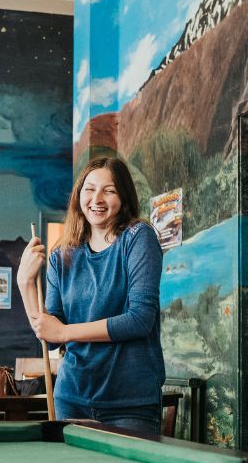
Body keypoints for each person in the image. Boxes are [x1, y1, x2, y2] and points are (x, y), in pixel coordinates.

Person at [16, 156, 164, 435]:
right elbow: (49, 336)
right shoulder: (62, 255)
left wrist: (66, 333)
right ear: (79, 194)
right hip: (72, 398)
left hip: (129, 402)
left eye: (109, 190)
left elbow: (140, 319)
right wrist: (24, 282)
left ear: (123, 196)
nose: (97, 198)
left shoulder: (138, 237)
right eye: (89, 188)